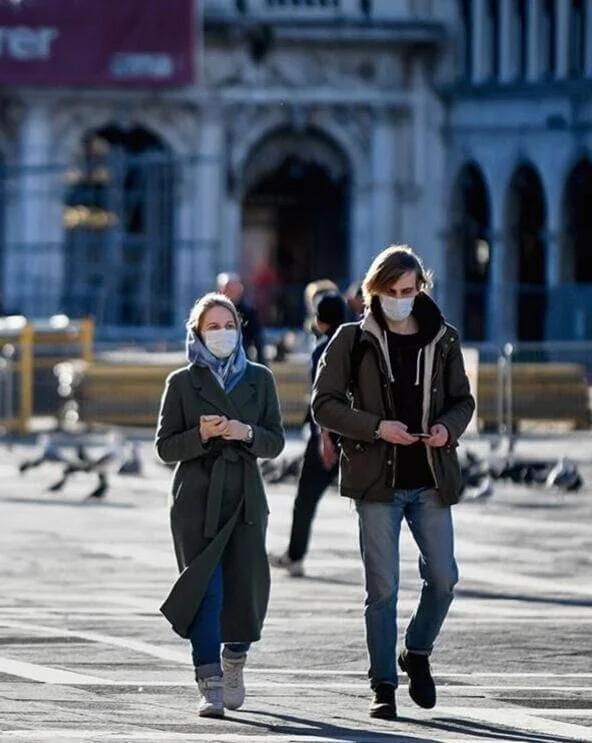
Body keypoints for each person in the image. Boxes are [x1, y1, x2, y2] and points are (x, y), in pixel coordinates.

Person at [311, 246, 474, 720]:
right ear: (374, 292)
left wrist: (448, 427)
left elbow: (463, 401)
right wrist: (378, 427)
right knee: (382, 589)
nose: (401, 299)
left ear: (421, 287)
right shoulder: (351, 339)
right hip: (376, 481)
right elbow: (323, 405)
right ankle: (382, 683)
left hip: (430, 477)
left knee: (444, 578)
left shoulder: (445, 338)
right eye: (391, 292)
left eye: (409, 290)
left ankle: (416, 651)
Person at [156, 292, 286, 718]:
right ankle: (209, 679)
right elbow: (165, 448)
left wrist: (244, 432)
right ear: (197, 333)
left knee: (246, 587)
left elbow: (275, 441)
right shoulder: (180, 382)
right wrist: (204, 435)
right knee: (205, 591)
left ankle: (235, 659)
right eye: (212, 327)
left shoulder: (260, 378)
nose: (222, 334)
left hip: (246, 497)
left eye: (228, 325)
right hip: (196, 499)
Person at [270, 291, 348, 576]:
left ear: (319, 320)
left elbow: (322, 398)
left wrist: (325, 439)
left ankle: (295, 555)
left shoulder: (322, 349)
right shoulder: (360, 342)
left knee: (305, 500)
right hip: (360, 435)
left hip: (330, 435)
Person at [216, 272, 266, 365]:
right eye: (228, 289)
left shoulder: (249, 313)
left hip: (241, 362)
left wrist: (262, 367)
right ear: (221, 290)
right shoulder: (212, 313)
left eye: (235, 288)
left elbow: (258, 342)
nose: (232, 292)